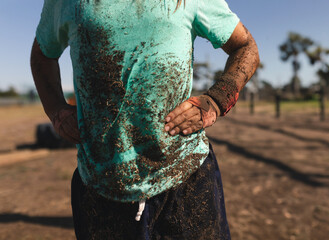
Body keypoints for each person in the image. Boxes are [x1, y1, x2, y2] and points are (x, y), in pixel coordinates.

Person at [31, 0, 259, 239]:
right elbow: (42, 56)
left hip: (186, 180)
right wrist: (56, 110)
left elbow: (245, 46)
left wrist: (217, 100)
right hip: (99, 188)